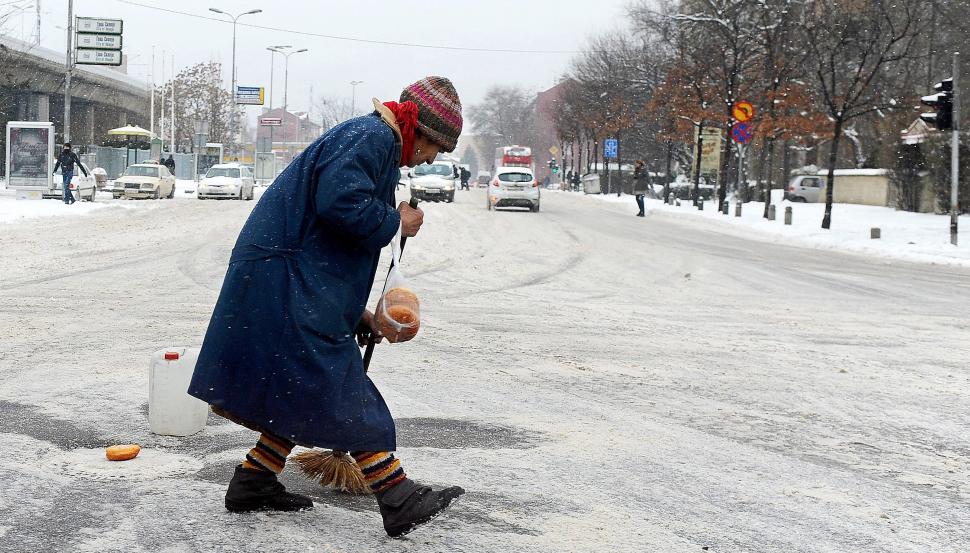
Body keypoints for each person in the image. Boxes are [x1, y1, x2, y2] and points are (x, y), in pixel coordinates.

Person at [188, 76, 465, 538]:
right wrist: (397, 220)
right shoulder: (372, 136)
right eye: (436, 146)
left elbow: (330, 236)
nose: (433, 158)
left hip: (292, 279)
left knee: (302, 384)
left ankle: (254, 481)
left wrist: (354, 311)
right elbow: (339, 204)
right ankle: (397, 495)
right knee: (338, 382)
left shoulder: (371, 141)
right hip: (285, 280)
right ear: (417, 129)